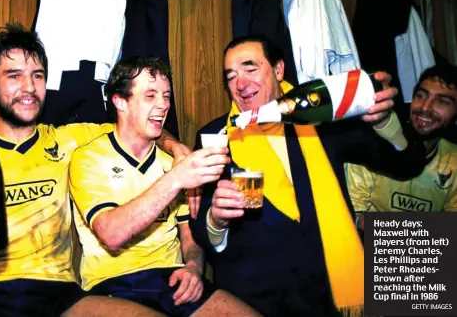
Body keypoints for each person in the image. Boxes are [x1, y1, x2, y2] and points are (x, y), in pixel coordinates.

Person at [0, 23, 189, 317]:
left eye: (37, 76)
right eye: (14, 76)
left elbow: (137, 127)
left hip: (58, 295)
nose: (28, 87)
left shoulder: (68, 140)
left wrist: (175, 148)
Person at [189, 35, 427, 317]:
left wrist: (385, 122)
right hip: (253, 300)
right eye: (231, 76)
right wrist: (216, 221)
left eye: (250, 69)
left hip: (328, 295)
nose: (240, 84)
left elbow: (406, 164)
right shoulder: (216, 137)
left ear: (278, 70)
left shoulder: (322, 117)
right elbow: (201, 230)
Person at [69, 56, 261, 317]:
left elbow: (189, 237)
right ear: (120, 101)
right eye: (150, 95)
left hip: (172, 279)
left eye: (167, 96)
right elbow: (111, 234)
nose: (163, 105)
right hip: (112, 283)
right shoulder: (89, 157)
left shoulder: (172, 161)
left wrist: (193, 267)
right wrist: (176, 179)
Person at [347, 64, 457, 229]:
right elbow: (352, 219)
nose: (425, 108)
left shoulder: (453, 161)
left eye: (441, 101)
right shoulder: (372, 146)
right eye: (421, 96)